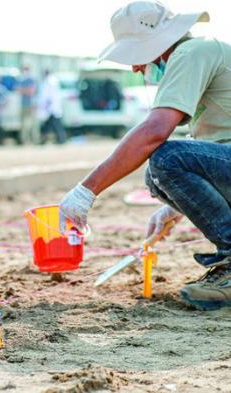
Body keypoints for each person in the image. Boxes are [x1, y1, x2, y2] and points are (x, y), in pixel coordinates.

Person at [57, 1, 231, 310]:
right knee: (156, 174)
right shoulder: (202, 53)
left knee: (165, 159)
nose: (136, 67)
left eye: (137, 56)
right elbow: (212, 148)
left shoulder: (192, 53)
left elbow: (154, 133)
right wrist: (177, 207)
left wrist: (87, 190)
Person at [38, 70, 67, 145]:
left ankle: (61, 139)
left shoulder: (50, 81)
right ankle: (45, 140)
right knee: (49, 125)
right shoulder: (51, 81)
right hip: (50, 108)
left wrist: (47, 106)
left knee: (55, 125)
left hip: (51, 108)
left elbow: (49, 96)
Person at [17, 64, 40, 144]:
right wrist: (26, 90)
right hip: (23, 104)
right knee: (23, 124)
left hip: (32, 104)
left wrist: (24, 90)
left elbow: (31, 91)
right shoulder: (21, 80)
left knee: (34, 124)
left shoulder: (32, 79)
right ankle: (24, 141)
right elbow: (18, 90)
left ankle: (35, 140)